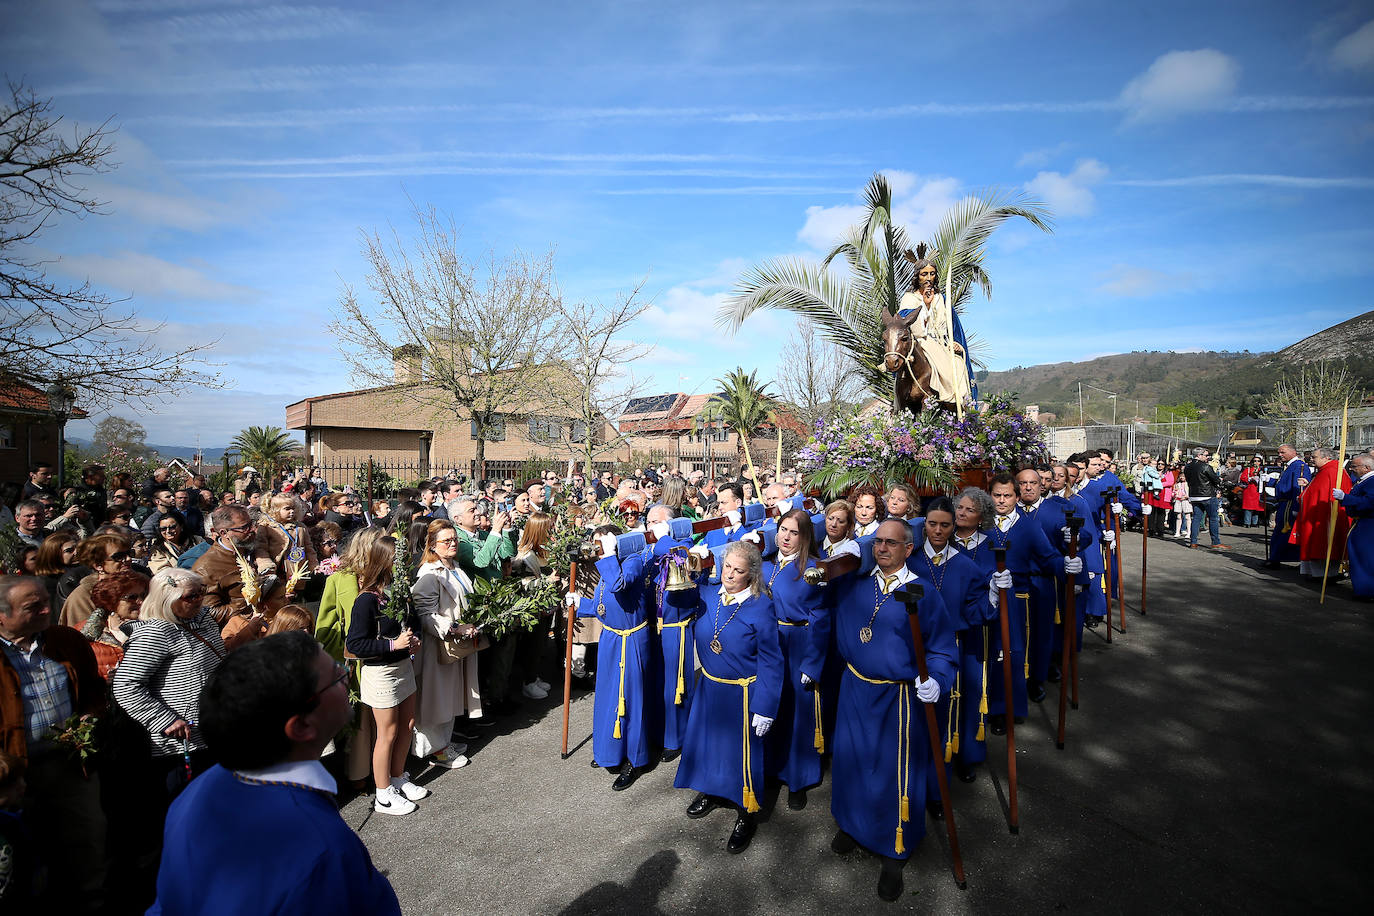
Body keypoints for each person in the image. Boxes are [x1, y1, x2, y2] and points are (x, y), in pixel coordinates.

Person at [150, 631, 401, 915]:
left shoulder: (198, 790)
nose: (346, 677)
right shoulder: (321, 850)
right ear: (302, 726)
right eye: (336, 676)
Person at [825, 519, 956, 901]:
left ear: (908, 549)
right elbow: (816, 588)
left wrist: (938, 681)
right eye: (877, 542)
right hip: (854, 688)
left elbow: (944, 650)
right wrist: (843, 555)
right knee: (851, 762)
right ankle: (852, 824)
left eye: (891, 543)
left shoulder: (923, 594)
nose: (882, 548)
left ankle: (894, 848)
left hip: (897, 698)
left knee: (894, 772)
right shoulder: (855, 584)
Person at [0, 576, 107, 913]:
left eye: (47, 601)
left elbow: (92, 688)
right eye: (34, 607)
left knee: (87, 836)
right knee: (22, 850)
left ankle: (92, 900)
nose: (48, 610)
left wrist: (91, 716)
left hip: (71, 763)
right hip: (14, 772)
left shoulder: (64, 641)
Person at [673, 541, 782, 854]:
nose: (729, 574)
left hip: (743, 692)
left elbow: (772, 660)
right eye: (726, 567)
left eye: (738, 570)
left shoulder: (760, 606)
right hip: (710, 687)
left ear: (751, 575)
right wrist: (684, 560)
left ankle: (746, 811)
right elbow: (677, 595)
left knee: (743, 754)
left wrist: (766, 706)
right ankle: (711, 791)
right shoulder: (708, 594)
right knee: (710, 747)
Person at [344, 536, 426, 816]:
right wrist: (392, 645)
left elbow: (413, 623)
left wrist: (413, 640)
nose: (405, 565)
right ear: (385, 562)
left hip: (403, 666)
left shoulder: (401, 591)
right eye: (400, 561)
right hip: (381, 673)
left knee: (408, 724)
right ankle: (383, 794)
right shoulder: (366, 600)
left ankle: (398, 777)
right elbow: (355, 644)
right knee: (387, 733)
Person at [572, 526, 655, 790]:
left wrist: (609, 555)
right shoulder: (607, 564)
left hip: (631, 638)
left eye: (601, 543)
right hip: (611, 638)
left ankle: (635, 758)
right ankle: (610, 750)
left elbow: (619, 584)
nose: (596, 549)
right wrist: (580, 604)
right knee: (608, 695)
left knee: (631, 697)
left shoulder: (633, 562)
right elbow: (604, 606)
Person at [757, 509, 827, 810]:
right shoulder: (765, 565)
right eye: (782, 529)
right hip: (769, 645)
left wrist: (812, 663)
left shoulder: (813, 570)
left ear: (805, 536)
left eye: (793, 532)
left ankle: (799, 779)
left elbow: (821, 619)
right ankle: (772, 769)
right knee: (772, 707)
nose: (785, 537)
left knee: (799, 712)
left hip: (798, 643)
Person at [409, 520, 477, 769]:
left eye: (454, 539)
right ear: (432, 545)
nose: (452, 544)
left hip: (457, 643)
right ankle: (435, 750)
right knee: (435, 698)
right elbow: (425, 614)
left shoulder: (455, 567)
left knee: (448, 696)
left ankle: (443, 742)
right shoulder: (429, 573)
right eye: (446, 541)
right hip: (437, 645)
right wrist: (453, 628)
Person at [513, 512, 560, 701]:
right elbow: (521, 584)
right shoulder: (524, 555)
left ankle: (534, 676)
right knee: (532, 645)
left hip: (546, 606)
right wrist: (547, 581)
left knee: (539, 644)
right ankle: (528, 682)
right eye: (549, 527)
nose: (552, 530)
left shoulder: (544, 549)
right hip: (533, 608)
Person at [58, 531, 138, 630]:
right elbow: (82, 637)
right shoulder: (83, 596)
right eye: (119, 557)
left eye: (129, 553)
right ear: (98, 565)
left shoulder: (140, 584)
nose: (128, 559)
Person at [1295, 447, 1351, 580]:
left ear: (1326, 458)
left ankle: (1324, 573)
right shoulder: (1325, 470)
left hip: (1324, 516)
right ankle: (1319, 572)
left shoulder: (1332, 471)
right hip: (1316, 514)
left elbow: (1329, 495)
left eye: (1315, 457)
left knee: (1322, 545)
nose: (1311, 459)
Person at [80, 569, 148, 680]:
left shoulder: (153, 627)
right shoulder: (88, 636)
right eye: (132, 597)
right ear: (112, 600)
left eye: (143, 595)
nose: (140, 602)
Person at [1334, 454, 1374, 600]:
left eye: (1355, 466)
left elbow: (1369, 502)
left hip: (1368, 525)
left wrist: (1346, 498)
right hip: (1362, 523)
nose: (1351, 469)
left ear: (1366, 468)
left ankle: (1367, 591)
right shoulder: (1364, 481)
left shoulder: (1371, 481)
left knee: (1365, 558)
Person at [1264, 444, 1309, 569]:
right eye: (1279, 452)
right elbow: (1284, 483)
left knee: (1284, 532)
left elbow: (1298, 488)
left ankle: (1276, 558)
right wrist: (1270, 481)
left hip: (1290, 503)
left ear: (1293, 452)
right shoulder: (1290, 465)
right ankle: (1275, 557)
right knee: (1280, 531)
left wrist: (1296, 507)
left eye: (1282, 452)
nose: (1280, 455)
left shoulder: (1299, 466)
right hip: (1284, 502)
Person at [1183, 448, 1227, 549]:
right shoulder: (1206, 467)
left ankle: (1193, 542)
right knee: (1213, 518)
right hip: (1207, 495)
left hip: (1194, 495)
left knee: (1196, 519)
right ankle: (1215, 542)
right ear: (1199, 455)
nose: (1208, 457)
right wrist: (1219, 479)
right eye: (1206, 455)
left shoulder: (1187, 467)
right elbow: (1215, 480)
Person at [33, 532, 78, 608]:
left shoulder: (81, 572)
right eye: (69, 550)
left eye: (77, 548)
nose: (76, 552)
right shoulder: (45, 583)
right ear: (53, 554)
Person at [1239, 456, 1265, 527]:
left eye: (1258, 461)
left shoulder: (1262, 470)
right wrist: (1250, 478)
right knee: (1248, 508)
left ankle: (1255, 522)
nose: (1256, 462)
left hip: (1258, 490)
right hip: (1249, 490)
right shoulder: (1248, 469)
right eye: (1254, 461)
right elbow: (1242, 478)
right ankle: (1247, 522)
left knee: (1257, 508)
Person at [1171, 472, 1193, 539]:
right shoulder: (1177, 484)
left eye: (1183, 476)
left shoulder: (1189, 484)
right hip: (1178, 500)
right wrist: (1175, 494)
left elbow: (1191, 493)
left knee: (1187, 517)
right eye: (1180, 476)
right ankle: (1177, 532)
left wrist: (1187, 496)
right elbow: (1173, 493)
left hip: (1186, 501)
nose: (1182, 477)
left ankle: (1189, 532)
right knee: (1178, 517)